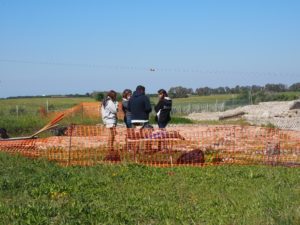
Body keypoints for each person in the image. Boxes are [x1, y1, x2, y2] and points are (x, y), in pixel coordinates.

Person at [101, 90, 119, 161]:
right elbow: (114, 110)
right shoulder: (110, 102)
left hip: (107, 120)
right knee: (111, 135)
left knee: (111, 134)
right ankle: (110, 147)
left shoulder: (105, 101)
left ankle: (110, 147)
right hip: (110, 120)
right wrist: (116, 104)